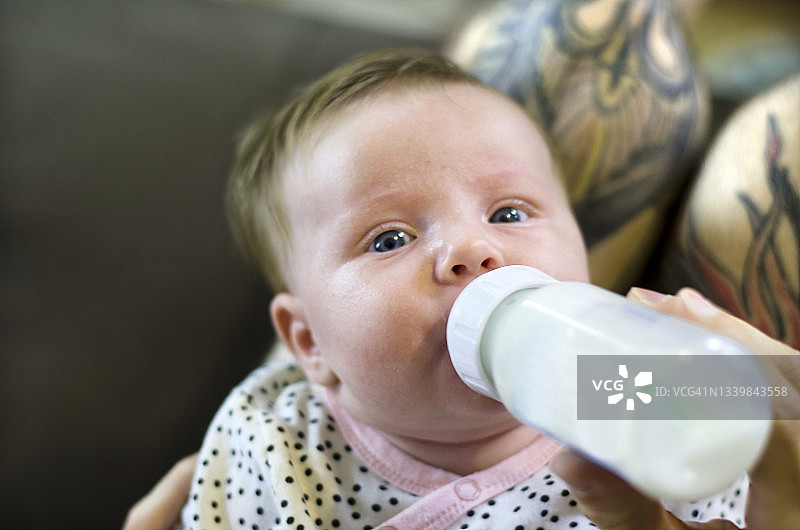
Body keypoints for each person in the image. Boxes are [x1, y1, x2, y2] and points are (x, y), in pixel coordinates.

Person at [124, 49, 800, 529]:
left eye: (509, 214)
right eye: (389, 239)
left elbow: (779, 400)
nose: (472, 250)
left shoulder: (622, 382)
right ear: (308, 342)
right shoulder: (275, 441)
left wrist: (765, 380)